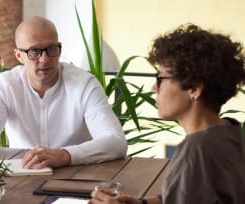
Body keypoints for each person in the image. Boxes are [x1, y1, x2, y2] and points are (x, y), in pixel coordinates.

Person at [89, 24, 245, 204]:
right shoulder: (229, 132)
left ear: (194, 89)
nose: (154, 88)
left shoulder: (196, 150)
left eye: (160, 78)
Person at [0, 16, 127, 169]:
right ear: (19, 55)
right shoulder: (6, 84)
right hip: (23, 176)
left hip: (74, 175)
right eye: (34, 51)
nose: (45, 59)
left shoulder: (84, 84)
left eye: (51, 49)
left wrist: (64, 155)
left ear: (59, 49)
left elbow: (116, 142)